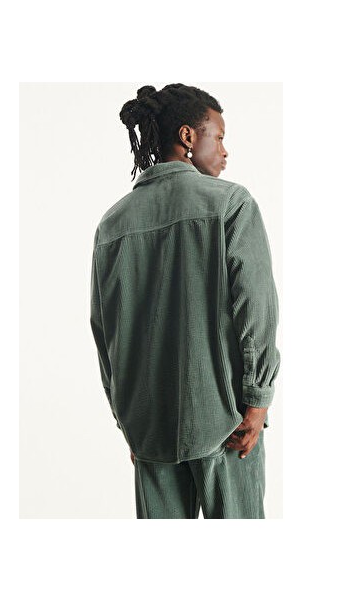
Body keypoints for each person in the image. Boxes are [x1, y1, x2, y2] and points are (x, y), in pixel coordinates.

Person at [90, 83, 280, 518]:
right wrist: (257, 399)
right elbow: (256, 310)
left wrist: (128, 419)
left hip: (149, 428)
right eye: (219, 136)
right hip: (227, 422)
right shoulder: (231, 203)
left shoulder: (113, 224)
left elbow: (104, 331)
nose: (225, 151)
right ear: (188, 136)